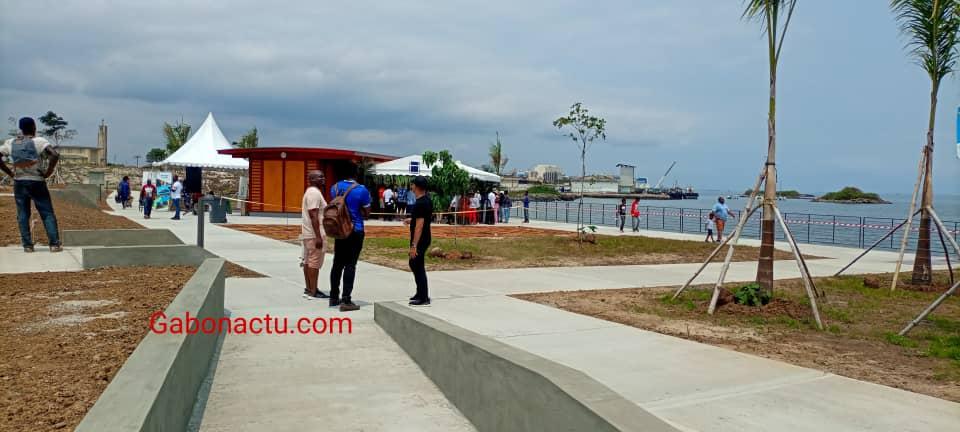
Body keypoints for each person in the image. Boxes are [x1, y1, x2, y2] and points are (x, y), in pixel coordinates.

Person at [0, 117, 62, 252]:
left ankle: (27, 246)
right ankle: (54, 244)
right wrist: (48, 172)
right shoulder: (39, 141)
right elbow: (55, 155)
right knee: (46, 213)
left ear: (21, 129)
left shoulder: (11, 142)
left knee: (23, 214)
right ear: (34, 127)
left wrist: (10, 173)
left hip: (19, 182)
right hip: (37, 181)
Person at [329, 165, 371, 312]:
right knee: (350, 264)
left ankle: (334, 296)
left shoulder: (334, 188)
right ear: (356, 175)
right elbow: (366, 213)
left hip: (339, 230)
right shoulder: (361, 190)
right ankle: (346, 299)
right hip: (355, 229)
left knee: (337, 263)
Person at [301, 171, 330, 300]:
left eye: (323, 176)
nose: (323, 178)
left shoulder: (311, 192)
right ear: (312, 179)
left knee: (308, 260)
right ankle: (313, 290)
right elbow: (314, 215)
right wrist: (318, 236)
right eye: (320, 177)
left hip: (308, 233)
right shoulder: (314, 193)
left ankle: (309, 288)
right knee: (314, 262)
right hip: (314, 234)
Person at [404, 176, 432, 305]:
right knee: (415, 263)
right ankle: (420, 292)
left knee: (416, 264)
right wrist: (411, 220)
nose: (411, 187)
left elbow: (419, 226)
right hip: (424, 237)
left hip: (421, 239)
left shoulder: (421, 203)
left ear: (417, 186)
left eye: (413, 184)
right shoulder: (425, 200)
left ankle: (423, 297)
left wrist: (414, 245)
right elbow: (421, 219)